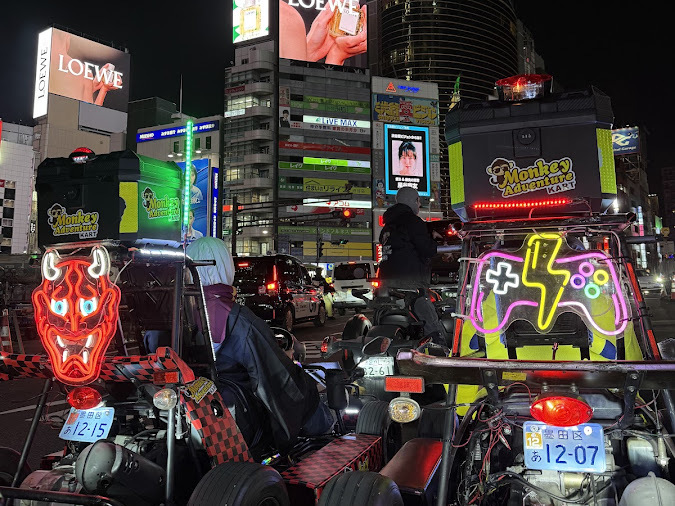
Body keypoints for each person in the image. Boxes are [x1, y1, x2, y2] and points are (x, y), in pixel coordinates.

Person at [186, 237, 334, 453]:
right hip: (233, 421)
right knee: (298, 383)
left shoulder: (171, 313)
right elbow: (275, 378)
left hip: (183, 409)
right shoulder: (238, 318)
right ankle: (325, 427)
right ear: (226, 266)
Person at [378, 186, 447, 344]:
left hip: (387, 281)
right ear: (413, 201)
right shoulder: (413, 221)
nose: (419, 205)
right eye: (418, 201)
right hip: (409, 282)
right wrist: (435, 243)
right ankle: (439, 349)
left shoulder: (388, 226)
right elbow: (427, 249)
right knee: (431, 322)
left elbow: (403, 245)